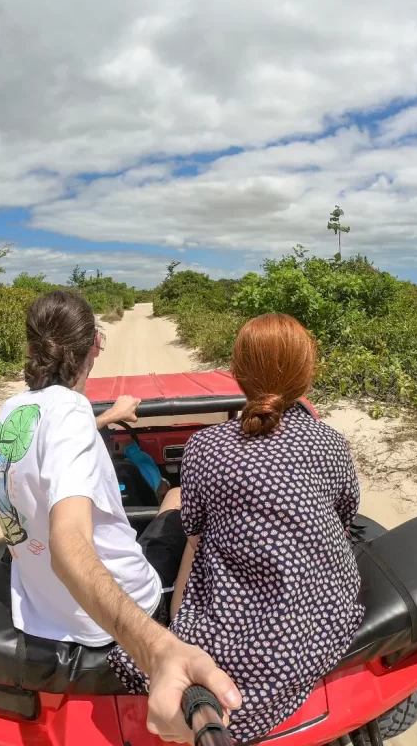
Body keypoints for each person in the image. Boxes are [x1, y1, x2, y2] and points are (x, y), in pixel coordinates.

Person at [0, 290, 240, 743]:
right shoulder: (70, 413)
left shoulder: (11, 414)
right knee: (178, 498)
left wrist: (106, 419)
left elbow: (52, 446)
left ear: (31, 348)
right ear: (95, 346)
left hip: (44, 610)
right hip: (121, 608)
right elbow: (68, 547)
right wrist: (155, 647)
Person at [108, 313, 366, 742]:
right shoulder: (331, 441)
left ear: (238, 374)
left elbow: (193, 530)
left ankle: (178, 633)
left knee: (188, 534)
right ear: (306, 376)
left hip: (230, 632)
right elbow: (345, 514)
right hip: (322, 612)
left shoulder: (205, 446)